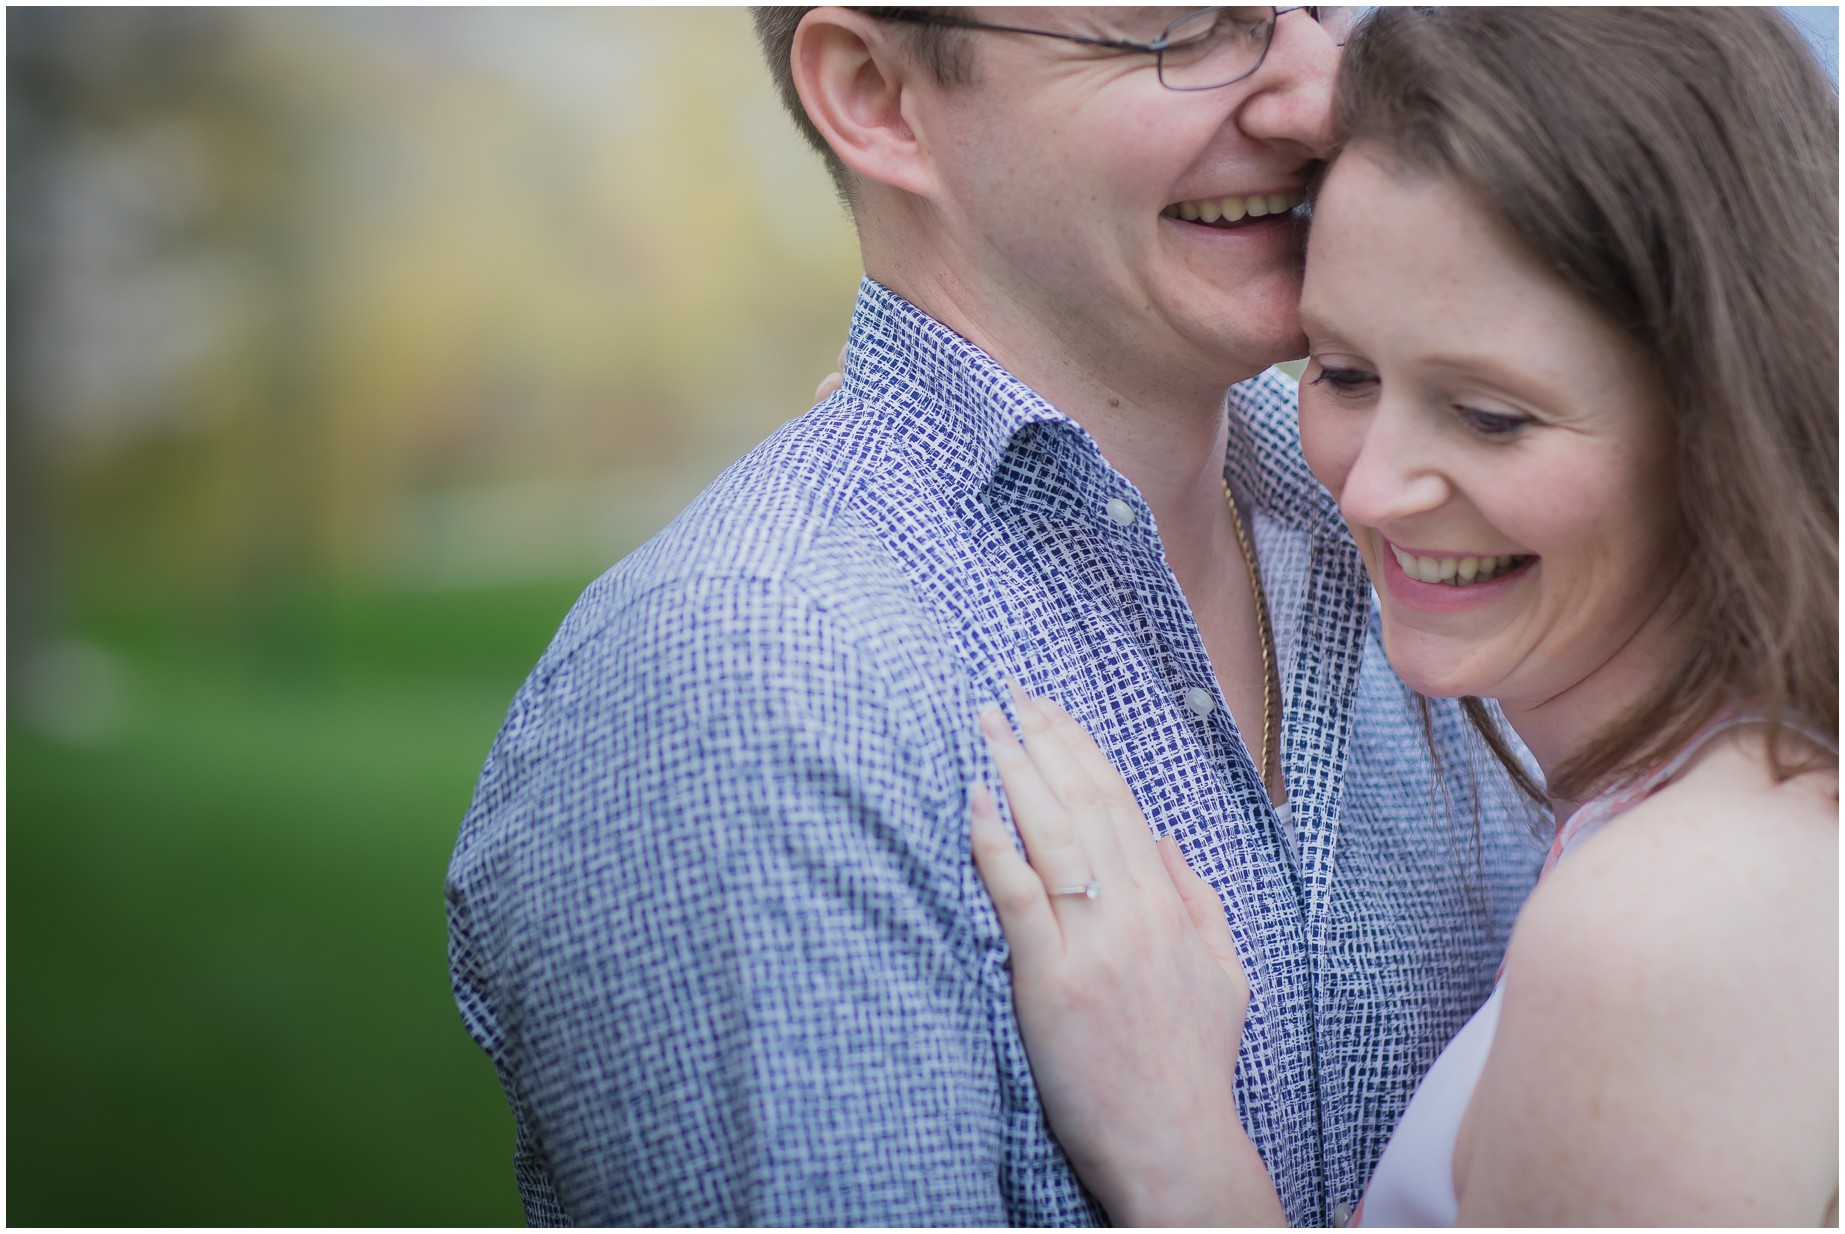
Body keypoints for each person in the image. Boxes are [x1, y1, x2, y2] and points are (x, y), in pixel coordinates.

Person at [444, 8, 1545, 1225]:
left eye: (1316, 3)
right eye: (1185, 23)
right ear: (877, 94)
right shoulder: (763, 681)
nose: (1318, 93)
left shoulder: (1452, 533)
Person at [973, 7, 1838, 1226]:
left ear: (1727, 418)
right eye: (1341, 374)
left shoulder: (1662, 936)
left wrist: (1177, 1147)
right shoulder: (1712, 798)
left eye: (1491, 415)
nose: (1371, 488)